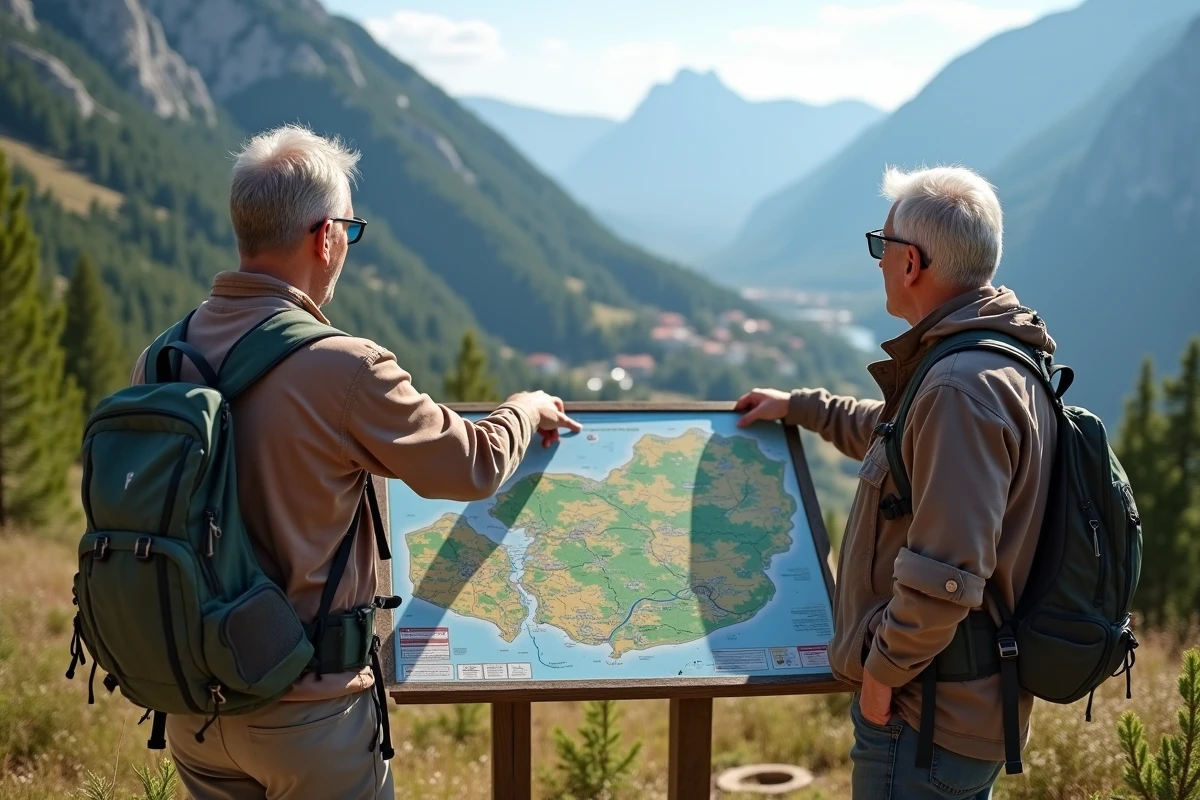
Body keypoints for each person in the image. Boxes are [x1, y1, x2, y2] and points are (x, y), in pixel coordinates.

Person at [126, 123, 581, 799]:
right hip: (309, 714)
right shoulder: (344, 367)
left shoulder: (162, 358)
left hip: (193, 705)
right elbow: (472, 466)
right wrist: (526, 406)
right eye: (350, 233)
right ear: (327, 236)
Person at [735, 166, 1057, 799]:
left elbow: (947, 569)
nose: (878, 262)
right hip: (957, 705)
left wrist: (881, 680)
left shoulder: (960, 388)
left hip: (923, 717)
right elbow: (898, 448)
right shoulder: (992, 361)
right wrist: (802, 407)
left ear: (911, 263)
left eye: (882, 247)